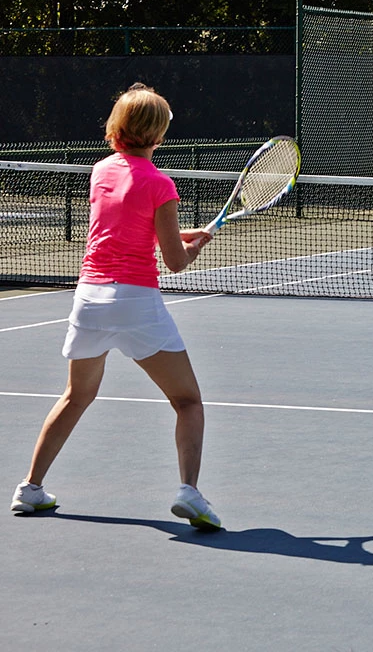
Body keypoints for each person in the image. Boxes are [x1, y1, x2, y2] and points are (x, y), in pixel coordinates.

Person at [10, 83, 222, 530]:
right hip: (135, 303)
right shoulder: (162, 184)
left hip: (89, 300)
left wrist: (178, 233)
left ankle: (30, 488)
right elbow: (175, 263)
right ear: (158, 134)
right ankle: (190, 493)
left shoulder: (100, 171)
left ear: (117, 128)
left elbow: (125, 225)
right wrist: (193, 245)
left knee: (75, 396)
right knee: (187, 401)